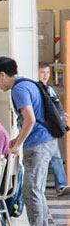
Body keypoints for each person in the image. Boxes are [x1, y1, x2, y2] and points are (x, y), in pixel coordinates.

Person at [0, 56, 57, 226]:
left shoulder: (19, 89)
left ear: (3, 75)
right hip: (45, 140)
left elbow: (30, 119)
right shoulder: (28, 84)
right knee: (37, 189)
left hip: (38, 143)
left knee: (31, 188)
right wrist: (17, 140)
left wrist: (19, 144)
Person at [38, 62, 69, 196]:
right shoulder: (38, 89)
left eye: (47, 73)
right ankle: (59, 186)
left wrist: (62, 116)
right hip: (46, 129)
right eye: (42, 72)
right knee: (50, 158)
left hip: (54, 127)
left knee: (56, 157)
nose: (45, 76)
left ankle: (61, 186)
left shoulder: (49, 88)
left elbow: (56, 106)